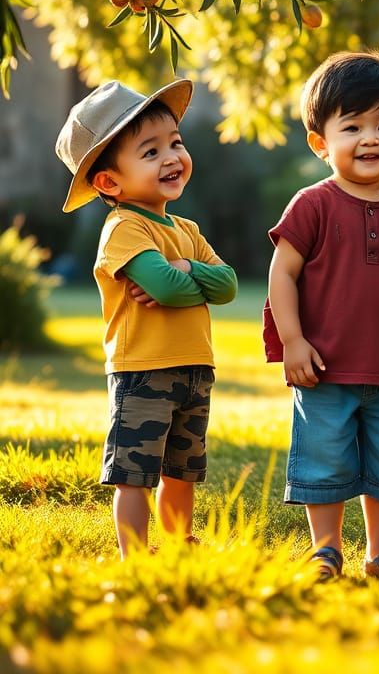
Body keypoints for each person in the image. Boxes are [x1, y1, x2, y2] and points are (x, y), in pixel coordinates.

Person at [264, 51, 379, 582]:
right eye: (353, 126)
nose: (370, 138)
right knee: (326, 460)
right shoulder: (312, 205)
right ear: (322, 143)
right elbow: (282, 275)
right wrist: (292, 341)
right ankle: (326, 549)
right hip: (325, 369)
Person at [55, 79, 237, 557]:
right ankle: (134, 554)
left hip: (196, 368)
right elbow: (169, 290)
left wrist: (185, 269)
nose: (172, 156)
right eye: (151, 151)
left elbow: (228, 285)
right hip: (143, 371)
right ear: (109, 182)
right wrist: (183, 279)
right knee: (134, 474)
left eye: (175, 143)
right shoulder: (123, 228)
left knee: (182, 470)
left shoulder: (186, 230)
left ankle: (177, 544)